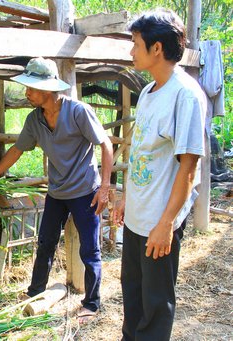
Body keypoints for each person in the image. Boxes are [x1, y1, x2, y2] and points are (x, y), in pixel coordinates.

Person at [0, 57, 113, 323]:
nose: (26, 93)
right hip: (57, 192)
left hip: (85, 190)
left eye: (31, 88)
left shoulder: (77, 112)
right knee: (45, 242)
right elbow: (16, 151)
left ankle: (92, 303)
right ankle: (35, 291)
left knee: (89, 249)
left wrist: (105, 187)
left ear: (48, 89)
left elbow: (106, 144)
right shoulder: (34, 120)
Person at [113, 9, 206, 341]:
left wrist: (167, 223)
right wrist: (126, 196)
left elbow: (188, 165)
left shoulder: (185, 95)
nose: (131, 51)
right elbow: (142, 152)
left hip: (158, 221)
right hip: (139, 217)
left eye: (136, 43)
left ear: (156, 48)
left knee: (155, 306)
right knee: (133, 297)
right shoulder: (149, 92)